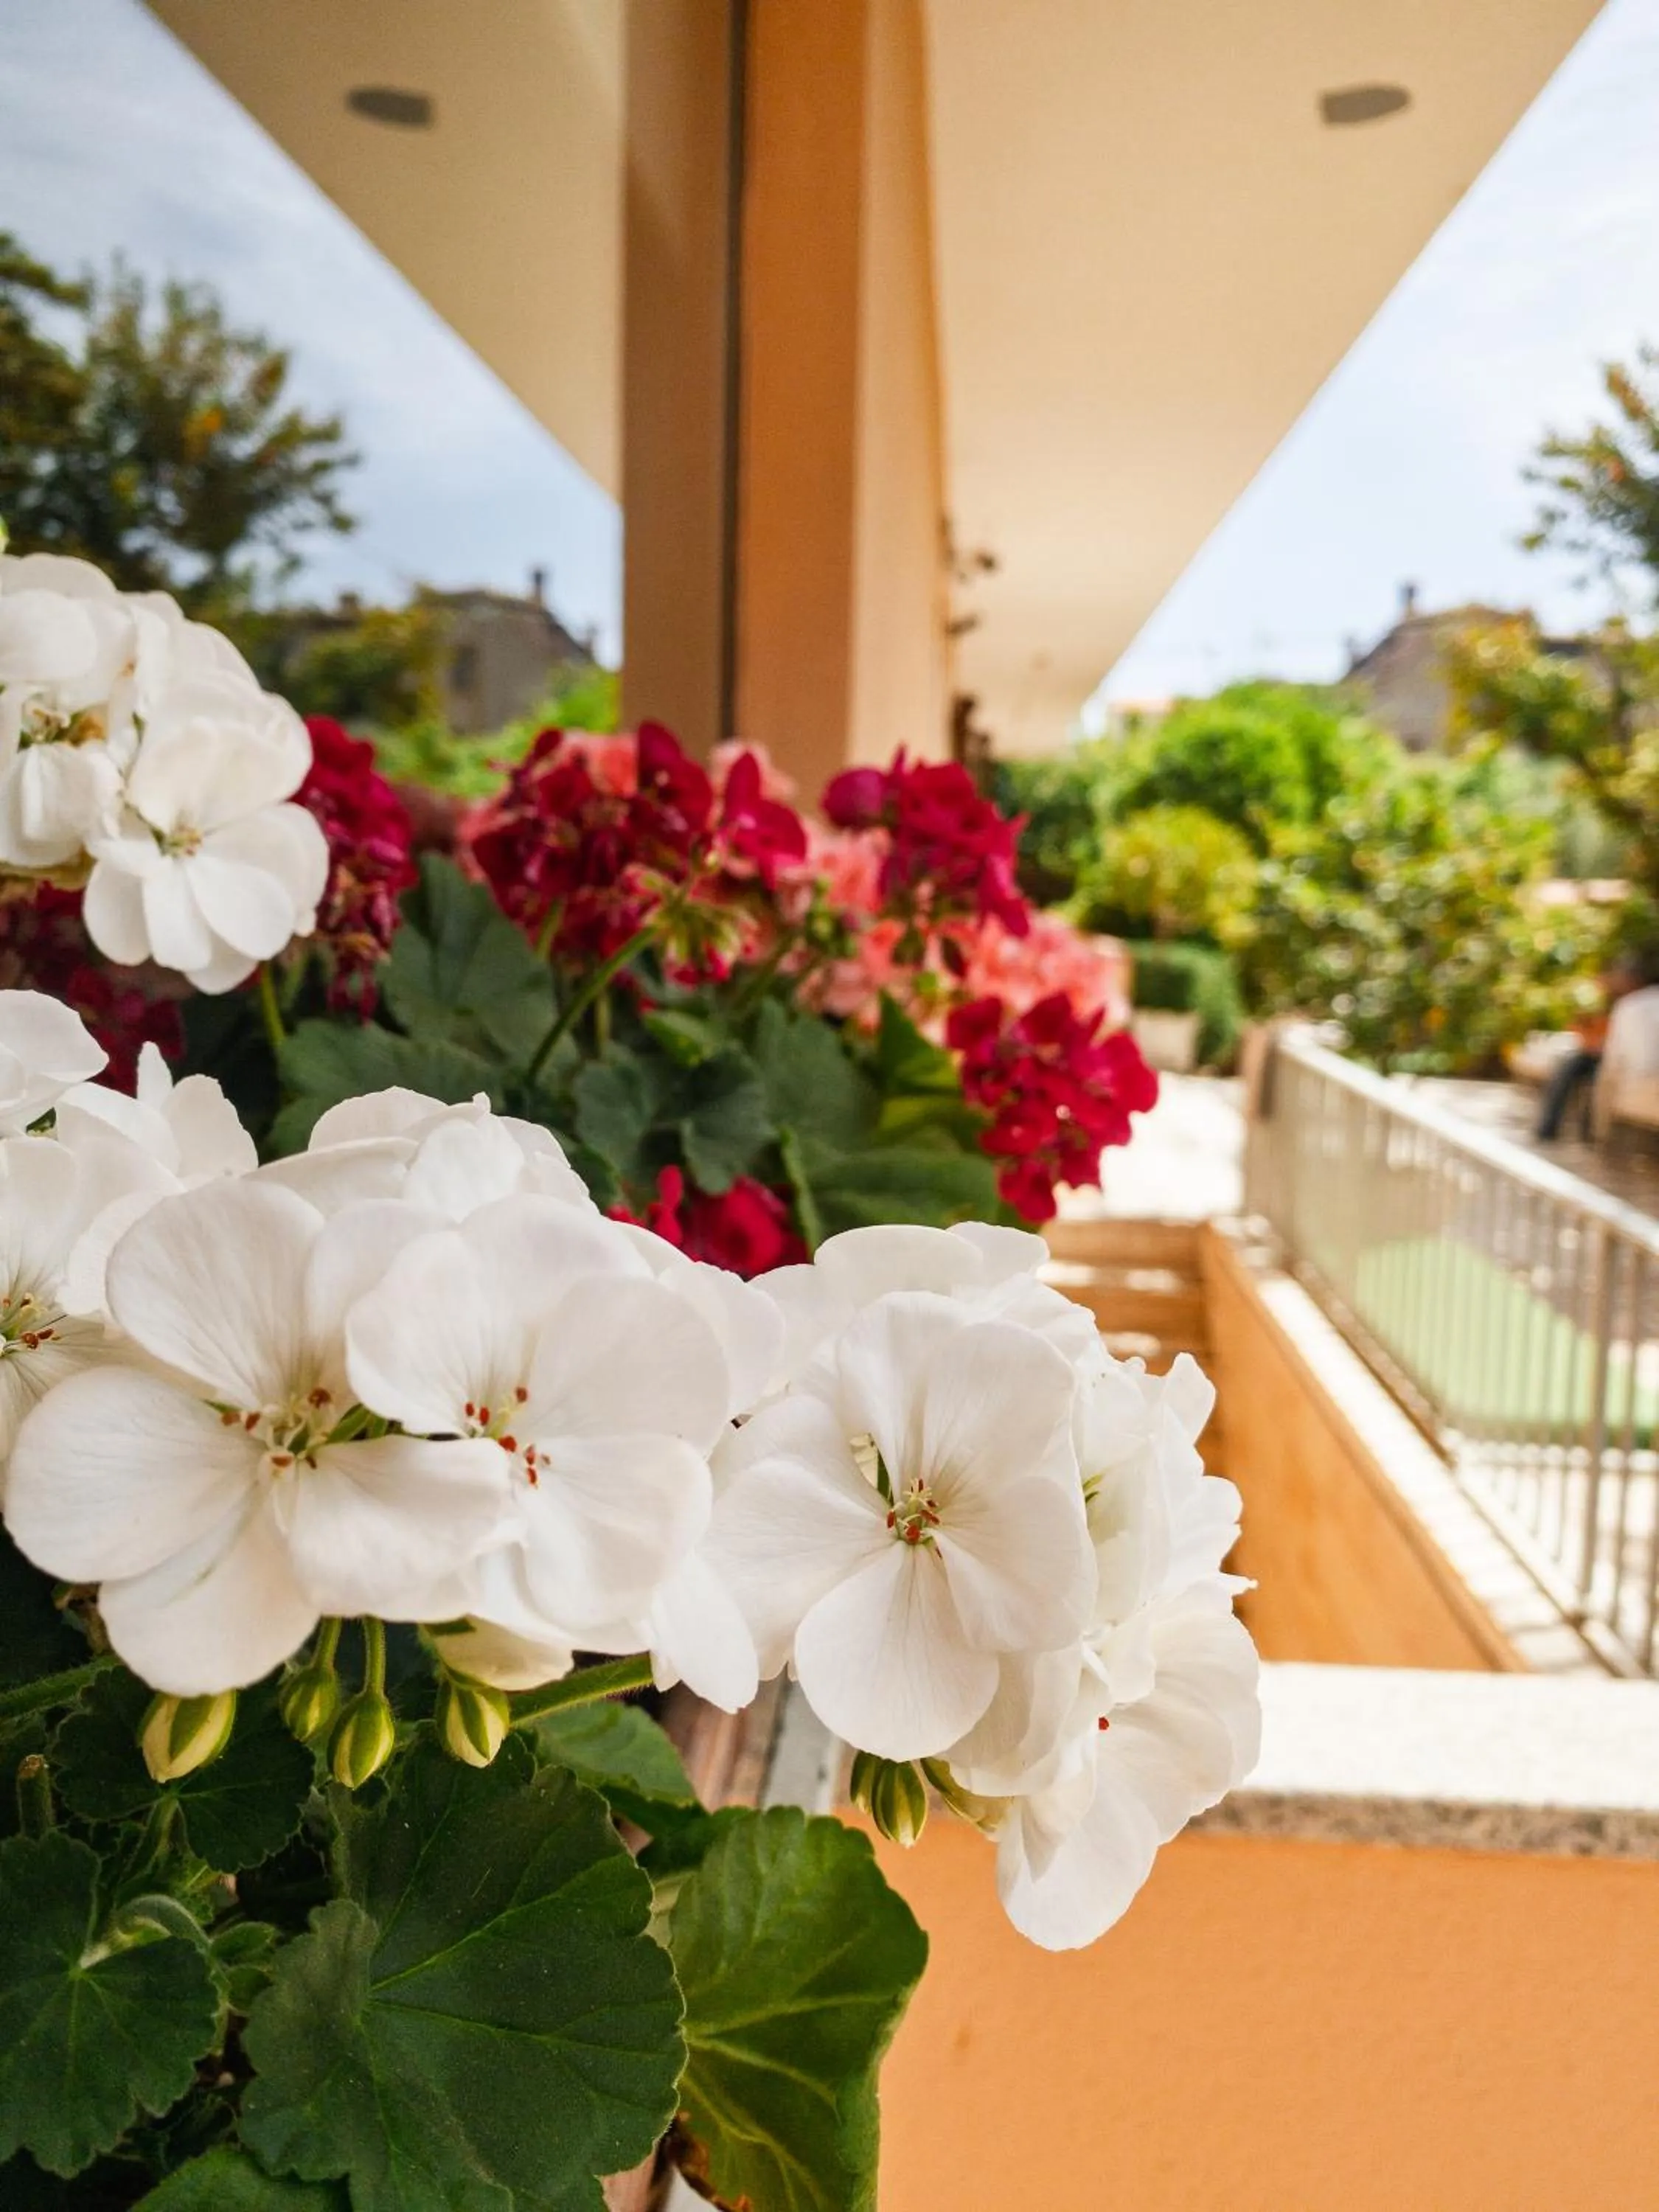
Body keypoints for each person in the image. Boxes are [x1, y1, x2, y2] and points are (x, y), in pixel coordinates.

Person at [1536, 950, 1654, 1141]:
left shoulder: (1629, 1005)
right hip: (1621, 1063)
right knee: (1572, 1064)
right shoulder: (1622, 1002)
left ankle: (1576, 1134)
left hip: (1626, 1068)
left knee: (1578, 1068)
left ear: (1633, 979)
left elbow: (1616, 1054)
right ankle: (1571, 1132)